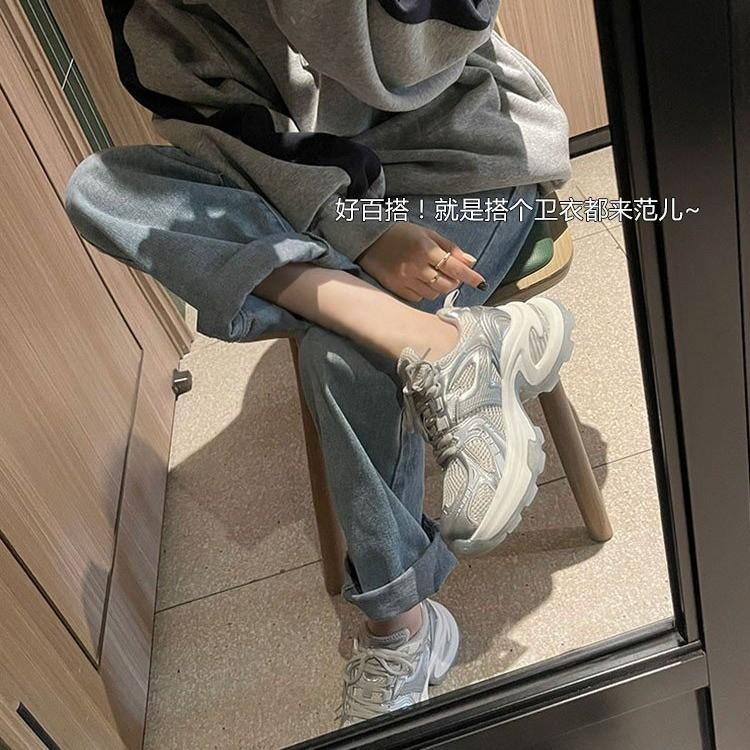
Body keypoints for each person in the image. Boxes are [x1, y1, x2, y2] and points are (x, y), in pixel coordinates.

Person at [65, 0, 572, 726]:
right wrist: (358, 231)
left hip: (455, 153)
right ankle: (435, 341)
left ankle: (400, 631)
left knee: (341, 356)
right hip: (308, 194)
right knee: (100, 187)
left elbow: (409, 61)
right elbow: (221, 133)